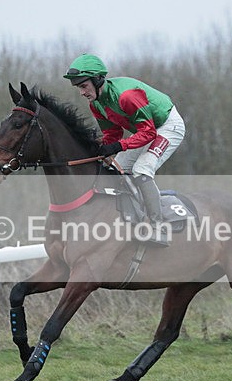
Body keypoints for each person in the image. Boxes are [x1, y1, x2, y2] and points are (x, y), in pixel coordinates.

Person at [63, 54, 185, 245]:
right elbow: (113, 134)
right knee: (116, 167)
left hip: (168, 126)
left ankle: (158, 226)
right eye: (78, 88)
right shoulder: (96, 104)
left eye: (83, 86)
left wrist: (117, 146)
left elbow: (148, 132)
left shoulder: (127, 96)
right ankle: (134, 217)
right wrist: (100, 150)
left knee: (142, 170)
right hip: (146, 130)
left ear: (97, 80)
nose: (81, 92)